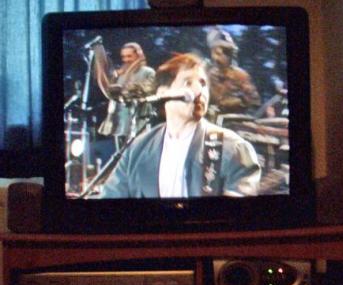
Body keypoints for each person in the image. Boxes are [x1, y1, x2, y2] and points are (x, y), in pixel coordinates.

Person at [99, 53, 261, 198]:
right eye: (188, 82)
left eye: (203, 83)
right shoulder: (137, 149)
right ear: (162, 92)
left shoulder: (233, 148)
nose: (199, 90)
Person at [94, 42, 156, 148]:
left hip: (139, 122)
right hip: (120, 122)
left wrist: (127, 91)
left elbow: (151, 90)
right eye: (123, 56)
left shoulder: (148, 72)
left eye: (129, 56)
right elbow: (110, 91)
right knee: (121, 156)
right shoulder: (120, 75)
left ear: (138, 55)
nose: (126, 60)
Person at [206, 27, 261, 117]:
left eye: (219, 54)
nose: (215, 58)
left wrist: (235, 102)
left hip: (234, 121)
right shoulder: (208, 74)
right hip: (210, 120)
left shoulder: (240, 76)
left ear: (229, 56)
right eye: (214, 53)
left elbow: (254, 101)